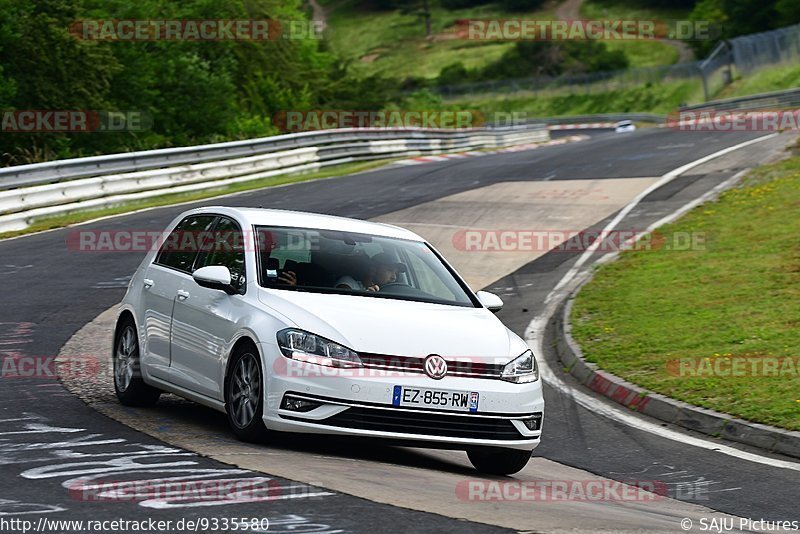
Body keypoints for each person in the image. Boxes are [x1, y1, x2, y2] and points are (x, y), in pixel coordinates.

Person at [335, 252, 405, 292]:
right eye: (389, 270)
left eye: (396, 273)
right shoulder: (348, 283)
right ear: (373, 269)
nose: (394, 277)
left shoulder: (392, 293)